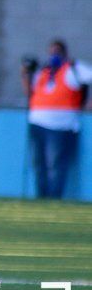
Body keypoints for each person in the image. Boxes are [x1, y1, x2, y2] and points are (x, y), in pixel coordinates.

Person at [21, 39, 91, 199]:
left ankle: (54, 198)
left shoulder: (74, 68)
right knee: (39, 164)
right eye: (52, 51)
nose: (54, 55)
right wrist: (24, 73)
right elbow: (30, 92)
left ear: (65, 53)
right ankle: (42, 197)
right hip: (37, 122)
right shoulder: (43, 71)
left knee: (56, 164)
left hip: (61, 125)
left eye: (57, 51)